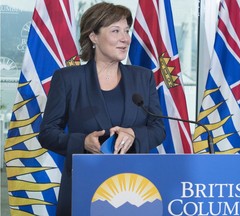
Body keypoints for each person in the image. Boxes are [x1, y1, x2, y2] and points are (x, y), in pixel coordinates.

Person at [38, 2, 166, 216]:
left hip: (136, 189)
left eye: (126, 31)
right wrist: (82, 142)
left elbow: (158, 129)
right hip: (84, 187)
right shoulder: (68, 79)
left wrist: (134, 133)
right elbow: (48, 133)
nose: (125, 38)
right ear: (93, 36)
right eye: (115, 31)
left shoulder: (143, 77)